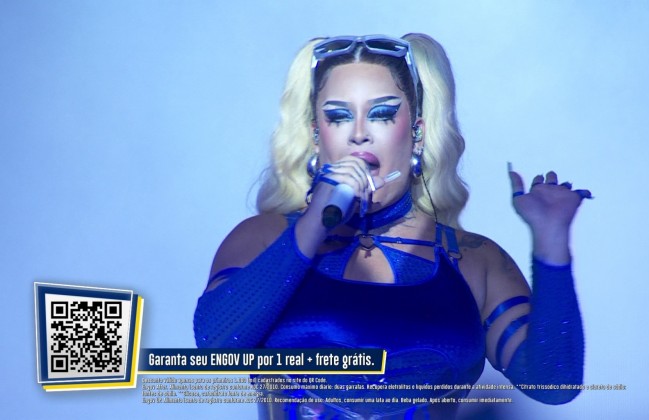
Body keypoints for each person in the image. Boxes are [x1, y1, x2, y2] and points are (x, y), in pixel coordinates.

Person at [194, 33, 588, 419]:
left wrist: (551, 240)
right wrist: (316, 222)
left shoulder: (473, 260)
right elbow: (215, 346)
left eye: (381, 113)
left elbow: (554, 384)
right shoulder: (263, 239)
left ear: (417, 133)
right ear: (316, 136)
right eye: (338, 115)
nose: (359, 134)